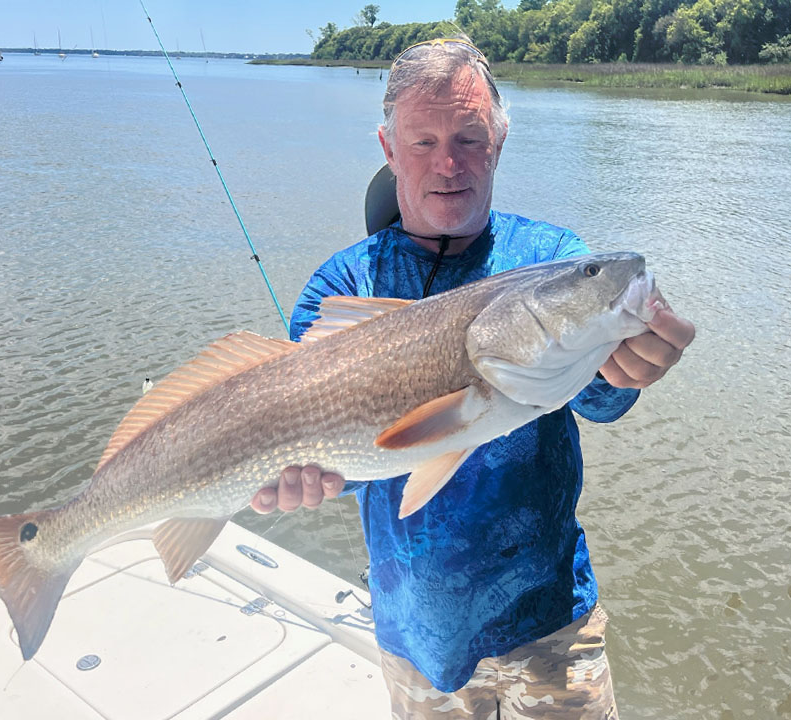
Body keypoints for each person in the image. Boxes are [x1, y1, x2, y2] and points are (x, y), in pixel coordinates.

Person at [252, 37, 695, 719]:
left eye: (469, 137)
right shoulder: (344, 285)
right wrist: (309, 479)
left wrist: (633, 366)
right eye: (423, 141)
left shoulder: (549, 256)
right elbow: (347, 463)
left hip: (552, 622)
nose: (448, 163)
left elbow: (603, 402)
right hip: (414, 632)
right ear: (388, 147)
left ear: (499, 142)